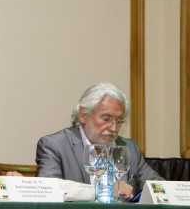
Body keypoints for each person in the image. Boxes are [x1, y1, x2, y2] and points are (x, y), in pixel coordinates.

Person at [35, 82, 163, 198]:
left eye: (119, 121)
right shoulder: (55, 145)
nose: (113, 128)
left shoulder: (129, 147)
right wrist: (102, 191)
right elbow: (48, 192)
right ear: (83, 115)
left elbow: (158, 187)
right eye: (106, 119)